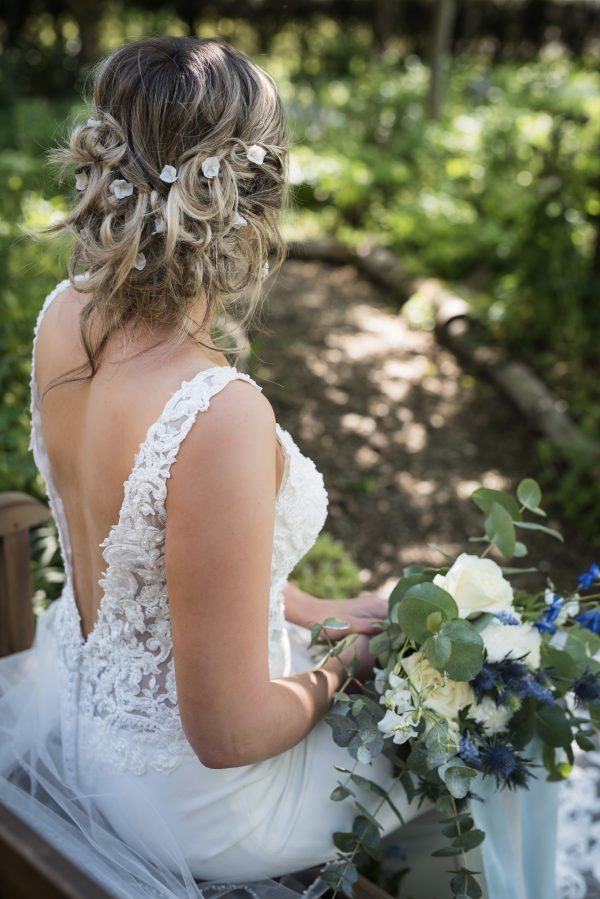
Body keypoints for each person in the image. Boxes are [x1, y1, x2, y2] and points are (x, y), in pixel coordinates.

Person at [0, 35, 430, 899]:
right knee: (480, 739)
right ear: (255, 202)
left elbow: (161, 581)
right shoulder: (218, 416)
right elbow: (228, 734)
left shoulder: (65, 317)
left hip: (86, 726)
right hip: (204, 806)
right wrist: (357, 657)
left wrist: (320, 614)